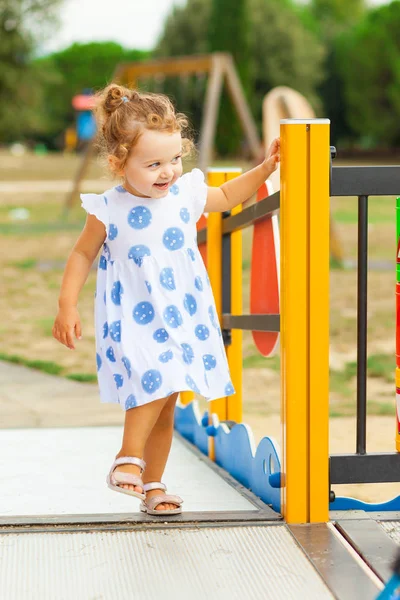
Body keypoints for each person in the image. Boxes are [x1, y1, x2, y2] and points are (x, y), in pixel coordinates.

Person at [52, 84, 280, 516]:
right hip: (134, 319)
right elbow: (83, 253)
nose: (167, 172)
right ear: (120, 163)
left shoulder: (184, 195)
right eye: (153, 163)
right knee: (155, 378)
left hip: (182, 314)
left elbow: (228, 196)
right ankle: (127, 458)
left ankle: (152, 484)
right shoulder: (109, 208)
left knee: (167, 400)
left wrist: (266, 167)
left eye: (175, 159)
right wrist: (67, 304)